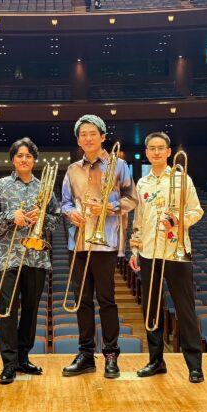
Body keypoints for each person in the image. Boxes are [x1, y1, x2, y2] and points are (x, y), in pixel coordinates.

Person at [60, 114, 137, 379]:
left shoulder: (120, 165)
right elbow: (65, 203)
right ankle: (85, 355)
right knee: (82, 302)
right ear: (78, 140)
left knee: (106, 300)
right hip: (79, 242)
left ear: (103, 137)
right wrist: (71, 213)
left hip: (106, 243)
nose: (88, 138)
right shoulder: (72, 170)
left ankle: (111, 355)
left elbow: (131, 199)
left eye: (93, 133)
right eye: (83, 134)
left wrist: (108, 207)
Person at [128, 132, 205, 383]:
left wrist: (178, 220)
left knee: (185, 308)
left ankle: (194, 365)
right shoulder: (142, 183)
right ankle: (155, 361)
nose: (156, 152)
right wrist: (134, 249)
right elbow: (138, 220)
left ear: (169, 152)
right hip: (149, 252)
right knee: (151, 309)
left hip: (175, 251)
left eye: (161, 148)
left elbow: (196, 210)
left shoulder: (182, 179)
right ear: (147, 153)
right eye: (152, 148)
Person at [0, 137, 60, 385]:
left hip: (37, 258)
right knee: (7, 311)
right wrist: (10, 216)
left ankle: (23, 358)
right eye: (20, 156)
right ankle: (8, 363)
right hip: (8, 257)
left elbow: (56, 220)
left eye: (28, 156)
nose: (24, 159)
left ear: (34, 160)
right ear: (13, 159)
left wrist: (42, 217)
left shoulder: (44, 188)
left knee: (31, 310)